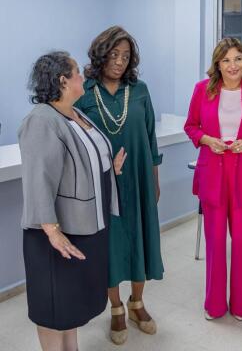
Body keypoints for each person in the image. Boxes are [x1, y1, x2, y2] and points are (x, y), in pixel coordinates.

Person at [19, 51, 126, 351]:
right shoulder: (41, 120)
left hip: (85, 228)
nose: (83, 75)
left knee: (70, 306)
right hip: (56, 236)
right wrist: (53, 232)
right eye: (77, 71)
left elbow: (82, 161)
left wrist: (109, 168)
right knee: (54, 308)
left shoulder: (75, 114)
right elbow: (39, 179)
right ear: (63, 80)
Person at [74, 26, 163, 345]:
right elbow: (76, 143)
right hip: (102, 184)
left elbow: (150, 136)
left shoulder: (139, 90)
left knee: (140, 238)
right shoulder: (84, 92)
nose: (120, 61)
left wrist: (154, 179)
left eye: (126, 56)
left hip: (139, 177)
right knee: (110, 246)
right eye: (114, 54)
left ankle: (137, 303)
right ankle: (116, 308)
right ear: (101, 54)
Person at [184, 37, 242, 320]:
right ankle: (214, 304)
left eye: (238, 59)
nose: (232, 65)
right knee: (215, 242)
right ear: (217, 64)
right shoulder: (202, 90)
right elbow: (191, 126)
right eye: (226, 60)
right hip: (212, 171)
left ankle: (241, 304)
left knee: (240, 241)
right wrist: (206, 139)